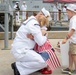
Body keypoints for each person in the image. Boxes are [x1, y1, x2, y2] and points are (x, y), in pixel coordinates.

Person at [11, 7, 51, 75]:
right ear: (41, 15)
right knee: (44, 62)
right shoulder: (34, 24)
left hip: (20, 50)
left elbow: (41, 30)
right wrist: (45, 35)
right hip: (22, 51)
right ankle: (18, 67)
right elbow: (40, 42)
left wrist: (37, 35)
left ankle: (21, 66)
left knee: (40, 59)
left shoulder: (30, 20)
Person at [61, 4, 76, 75]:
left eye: (67, 12)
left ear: (72, 11)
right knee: (70, 53)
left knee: (74, 55)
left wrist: (66, 38)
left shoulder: (74, 19)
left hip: (74, 41)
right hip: (72, 40)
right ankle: (70, 67)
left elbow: (73, 30)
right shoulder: (73, 19)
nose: (66, 14)